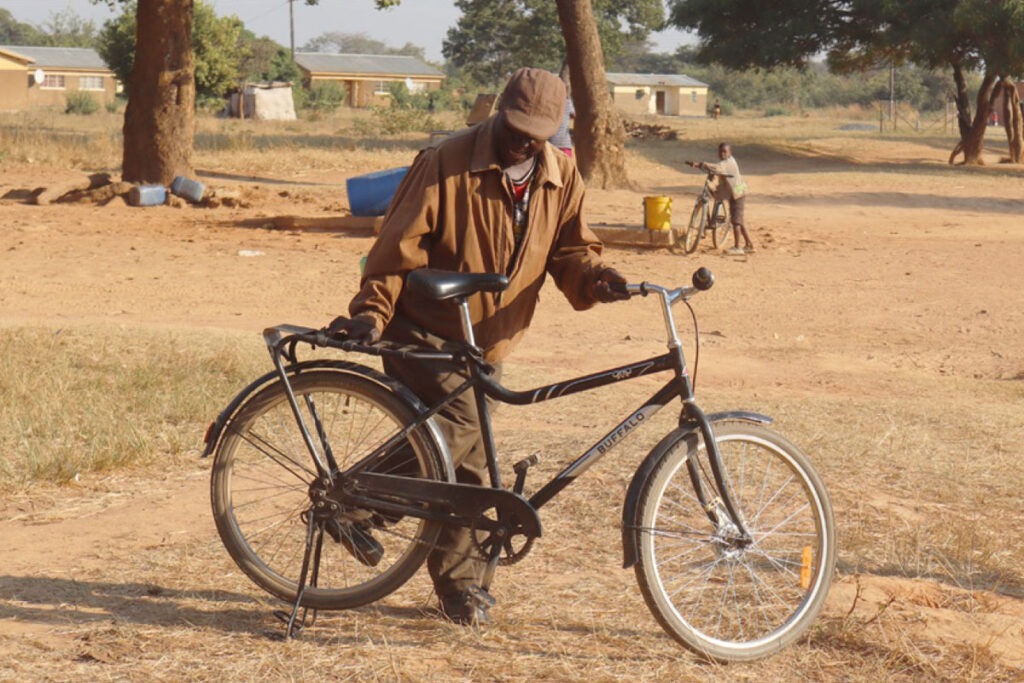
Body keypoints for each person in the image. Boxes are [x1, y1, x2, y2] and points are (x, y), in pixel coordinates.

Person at [328, 67, 629, 626]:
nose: (522, 141)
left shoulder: (562, 176)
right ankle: (461, 587)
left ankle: (353, 505)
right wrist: (371, 313)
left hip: (486, 341)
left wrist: (595, 278)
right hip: (422, 327)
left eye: (535, 134)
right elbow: (397, 248)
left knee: (442, 438)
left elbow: (571, 252)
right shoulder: (446, 162)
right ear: (498, 112)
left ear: (554, 133)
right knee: (470, 456)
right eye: (514, 127)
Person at [686, 142, 753, 253]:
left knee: (736, 222)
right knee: (739, 220)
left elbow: (717, 168)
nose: (722, 154)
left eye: (724, 152)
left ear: (729, 153)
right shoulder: (727, 161)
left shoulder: (728, 163)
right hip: (734, 193)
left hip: (738, 194)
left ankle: (737, 247)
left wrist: (701, 164)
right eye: (720, 151)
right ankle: (749, 244)